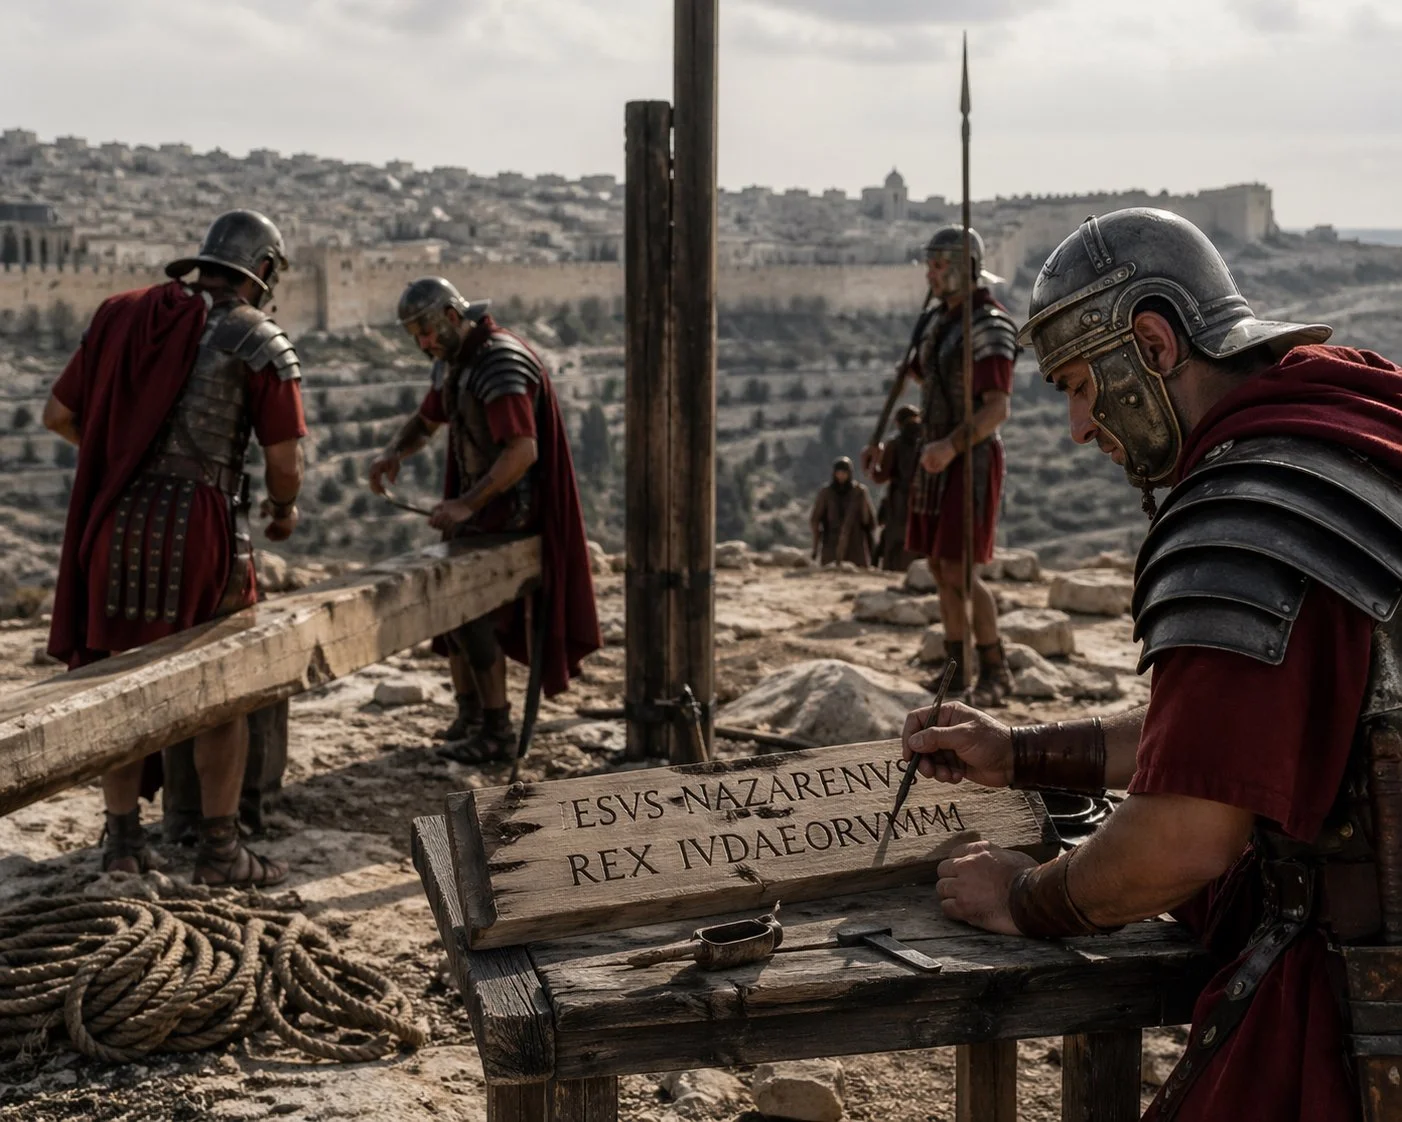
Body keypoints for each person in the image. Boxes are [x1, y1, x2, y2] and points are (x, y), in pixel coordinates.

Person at [904, 207, 1402, 1122]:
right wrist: (1020, 753)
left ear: (1155, 342)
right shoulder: (1357, 437)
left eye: (1084, 386)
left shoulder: (1250, 516)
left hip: (1367, 999)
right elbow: (1237, 737)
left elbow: (1180, 842)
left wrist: (1022, 897)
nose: (1079, 429)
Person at [43, 209, 306, 886]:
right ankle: (220, 853)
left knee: (117, 684)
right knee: (223, 690)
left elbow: (58, 416)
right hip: (204, 533)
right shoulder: (256, 339)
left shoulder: (120, 317)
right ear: (266, 271)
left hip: (116, 525)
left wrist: (123, 456)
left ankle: (123, 843)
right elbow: (285, 464)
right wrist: (281, 511)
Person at [369, 277, 601, 764]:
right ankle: (470, 714)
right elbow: (428, 421)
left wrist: (468, 505)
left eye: (428, 332)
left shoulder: (499, 360)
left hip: (512, 513)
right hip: (482, 512)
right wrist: (394, 452)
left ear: (453, 317)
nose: (424, 344)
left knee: (471, 609)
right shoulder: (453, 362)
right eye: (416, 336)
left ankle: (496, 729)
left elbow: (522, 451)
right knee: (453, 612)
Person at [863, 225, 1017, 706]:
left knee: (962, 570)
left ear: (962, 268)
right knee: (939, 567)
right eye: (929, 264)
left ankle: (996, 670)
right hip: (937, 457)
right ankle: (957, 672)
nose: (929, 274)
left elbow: (996, 409)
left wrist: (950, 447)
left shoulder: (989, 325)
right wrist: (884, 445)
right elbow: (920, 381)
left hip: (967, 459)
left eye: (938, 265)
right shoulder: (940, 323)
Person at [868, 404, 923, 572]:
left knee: (895, 538)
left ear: (898, 423)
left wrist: (873, 462)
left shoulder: (894, 444)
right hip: (924, 499)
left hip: (899, 500)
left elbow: (880, 476)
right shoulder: (929, 443)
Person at [809, 456, 876, 567]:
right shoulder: (826, 492)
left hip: (854, 542)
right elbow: (815, 519)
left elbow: (869, 520)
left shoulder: (859, 492)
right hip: (831, 540)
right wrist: (816, 544)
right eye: (839, 472)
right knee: (830, 571)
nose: (841, 476)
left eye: (844, 472)